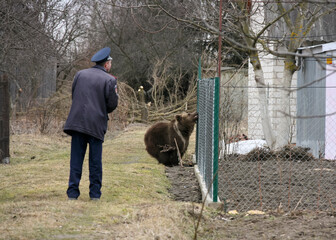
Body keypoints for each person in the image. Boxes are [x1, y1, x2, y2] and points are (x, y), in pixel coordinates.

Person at [64, 47, 119, 200]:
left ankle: (72, 193)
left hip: (77, 122)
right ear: (106, 64)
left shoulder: (79, 74)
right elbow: (112, 105)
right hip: (96, 124)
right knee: (95, 161)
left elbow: (74, 95)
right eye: (110, 63)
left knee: (76, 159)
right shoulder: (109, 80)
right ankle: (95, 194)